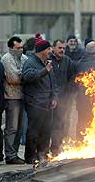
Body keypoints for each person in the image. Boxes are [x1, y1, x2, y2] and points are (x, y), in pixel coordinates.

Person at [22, 33, 58, 164]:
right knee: (34, 131)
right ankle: (30, 157)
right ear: (42, 50)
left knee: (46, 131)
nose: (50, 51)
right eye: (48, 49)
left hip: (48, 103)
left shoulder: (47, 63)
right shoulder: (30, 62)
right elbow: (27, 77)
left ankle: (43, 155)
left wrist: (54, 97)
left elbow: (54, 83)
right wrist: (44, 71)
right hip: (35, 103)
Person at [1, 36, 28, 164]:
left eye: (21, 47)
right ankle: (10, 155)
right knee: (12, 128)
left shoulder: (24, 58)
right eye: (18, 48)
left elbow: (26, 74)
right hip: (11, 97)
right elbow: (13, 78)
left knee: (20, 128)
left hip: (23, 96)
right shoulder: (6, 59)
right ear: (11, 48)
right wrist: (24, 76)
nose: (20, 50)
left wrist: (22, 75)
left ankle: (15, 154)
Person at [49, 39, 75, 155]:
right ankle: (49, 149)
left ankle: (57, 148)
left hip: (64, 99)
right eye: (59, 48)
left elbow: (72, 79)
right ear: (53, 48)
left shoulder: (68, 61)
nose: (62, 50)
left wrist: (68, 94)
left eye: (64, 48)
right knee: (50, 125)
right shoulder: (48, 61)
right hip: (49, 98)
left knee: (62, 124)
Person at [75, 41, 95, 140]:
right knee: (94, 123)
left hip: (81, 100)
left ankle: (79, 143)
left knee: (81, 122)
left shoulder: (78, 64)